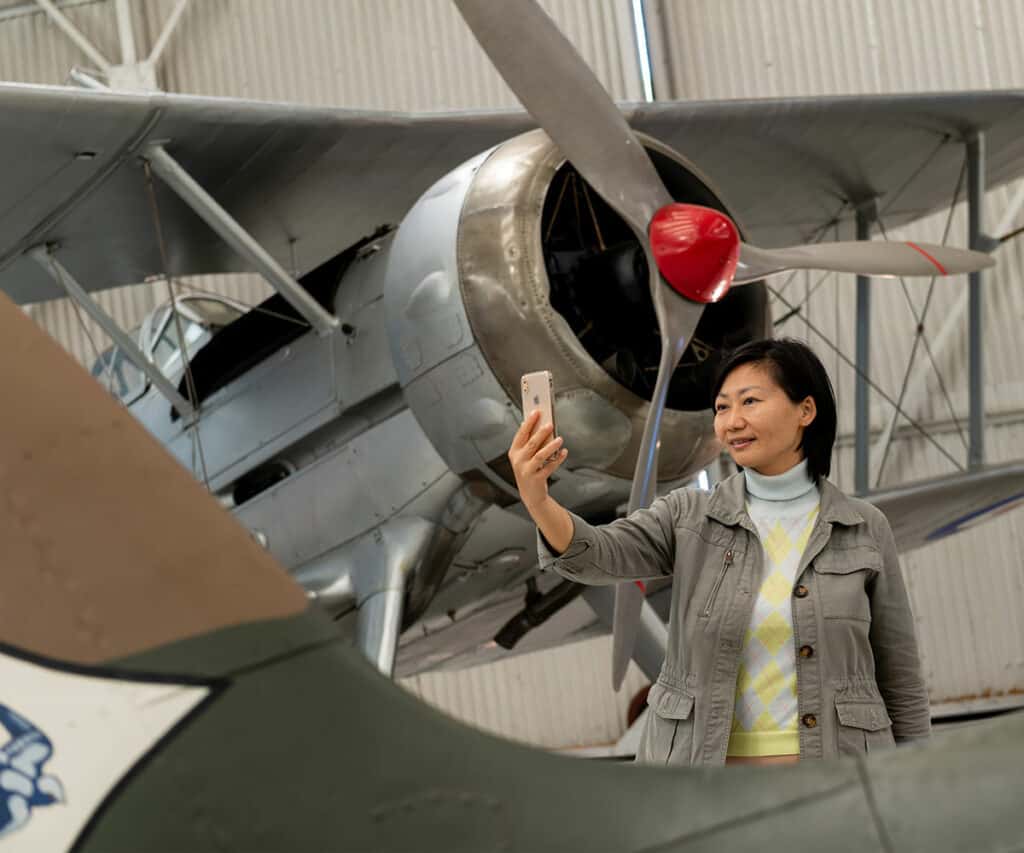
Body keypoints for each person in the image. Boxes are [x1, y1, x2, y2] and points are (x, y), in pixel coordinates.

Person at [508, 338, 930, 767]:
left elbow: (901, 680)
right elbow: (595, 554)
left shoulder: (864, 526)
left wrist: (917, 782)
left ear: (806, 410)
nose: (732, 421)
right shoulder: (687, 517)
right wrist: (539, 500)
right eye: (722, 407)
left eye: (749, 401)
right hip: (705, 791)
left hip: (835, 787)